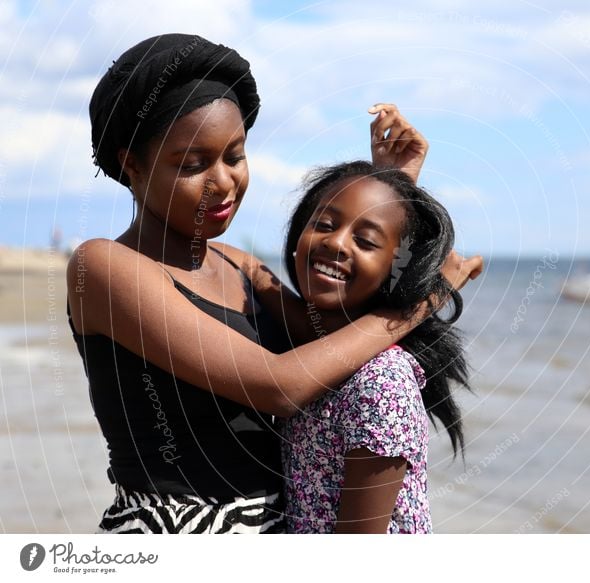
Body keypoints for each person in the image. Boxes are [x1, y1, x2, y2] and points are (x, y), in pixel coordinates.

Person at [69, 33, 483, 533]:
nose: (223, 182)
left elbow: (338, 342)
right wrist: (429, 297)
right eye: (193, 165)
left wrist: (393, 191)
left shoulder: (241, 266)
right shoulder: (104, 267)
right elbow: (278, 386)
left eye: (235, 156)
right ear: (132, 164)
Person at [280, 161, 470, 533]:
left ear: (395, 271)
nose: (335, 243)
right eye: (323, 224)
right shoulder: (307, 346)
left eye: (365, 241)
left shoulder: (381, 382)